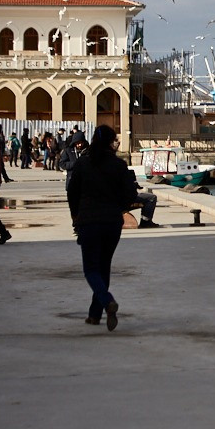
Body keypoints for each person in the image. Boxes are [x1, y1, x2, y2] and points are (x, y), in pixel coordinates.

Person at [66, 125, 136, 330]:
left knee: (91, 269)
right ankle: (95, 315)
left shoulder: (82, 163)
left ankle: (107, 301)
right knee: (104, 267)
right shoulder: (118, 165)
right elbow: (130, 195)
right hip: (112, 223)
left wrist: (75, 215)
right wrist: (120, 207)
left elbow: (72, 193)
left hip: (88, 221)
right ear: (110, 141)